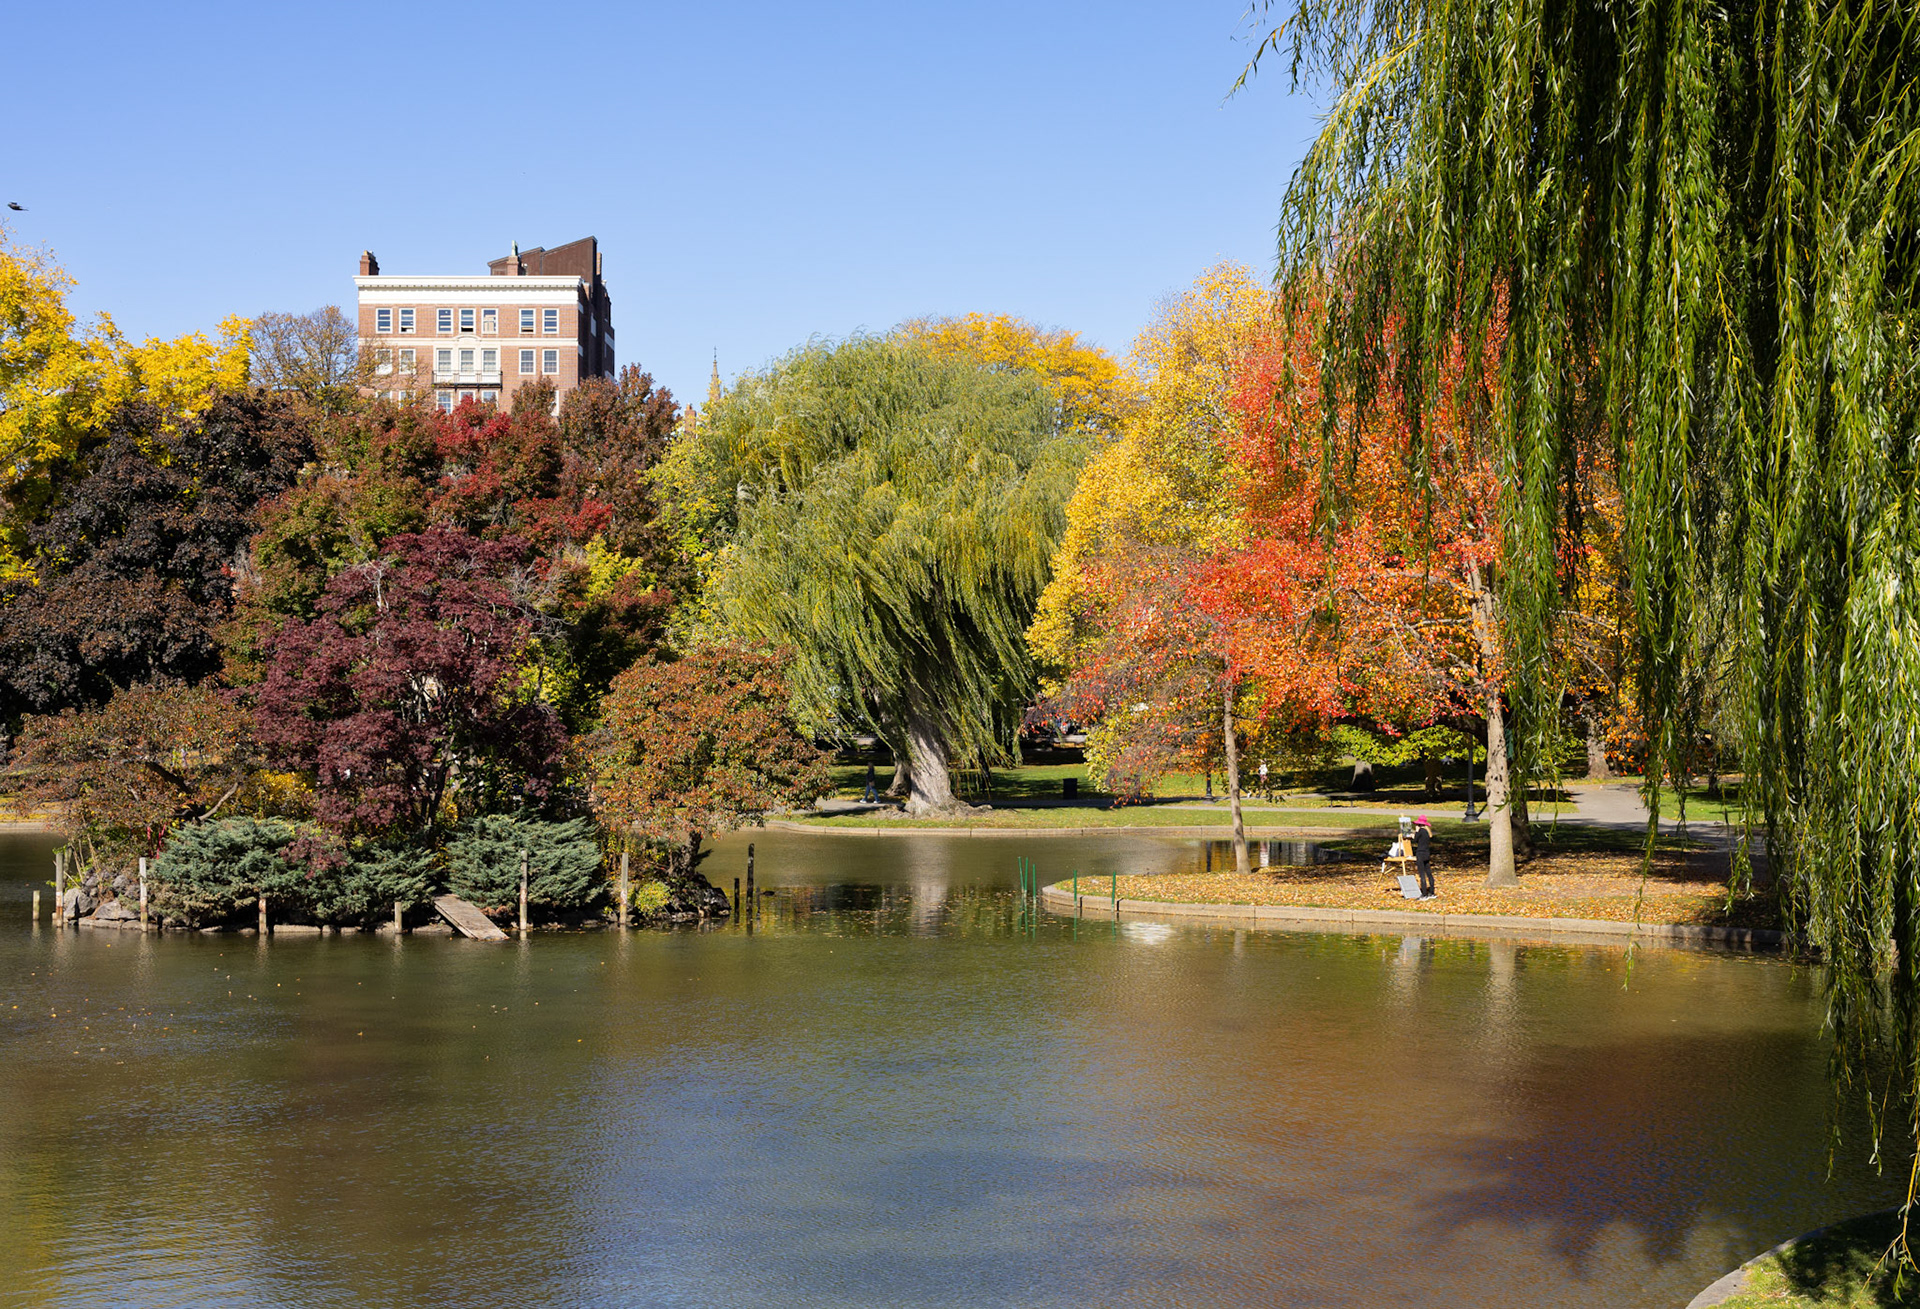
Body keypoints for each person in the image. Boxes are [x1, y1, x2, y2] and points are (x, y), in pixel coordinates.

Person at [1413, 814, 1435, 898]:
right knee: (1429, 873)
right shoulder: (1427, 832)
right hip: (1426, 853)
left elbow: (1415, 840)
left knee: (1422, 874)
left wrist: (1416, 832)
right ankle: (1432, 892)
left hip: (1420, 853)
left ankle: (1424, 894)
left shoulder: (1420, 831)